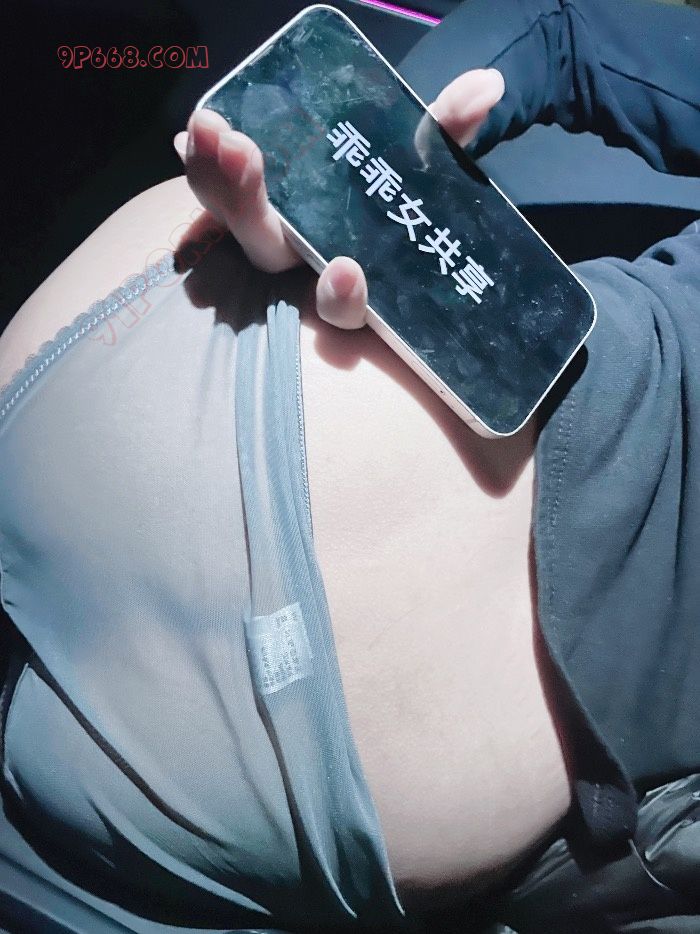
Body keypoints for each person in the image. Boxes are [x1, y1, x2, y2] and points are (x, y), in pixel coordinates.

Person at [0, 1, 698, 932]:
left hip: (123, 354)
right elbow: (566, 31)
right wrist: (375, 166)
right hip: (301, 744)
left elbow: (566, 29)